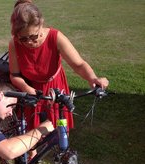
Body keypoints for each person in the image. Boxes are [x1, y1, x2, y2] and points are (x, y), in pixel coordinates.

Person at [9, 0, 109, 132]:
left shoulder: (55, 37)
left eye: (34, 36)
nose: (29, 42)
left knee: (60, 130)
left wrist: (93, 78)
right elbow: (14, 75)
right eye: (23, 38)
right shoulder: (14, 43)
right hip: (31, 91)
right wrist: (26, 88)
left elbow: (78, 64)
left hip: (55, 88)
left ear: (41, 24)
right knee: (31, 135)